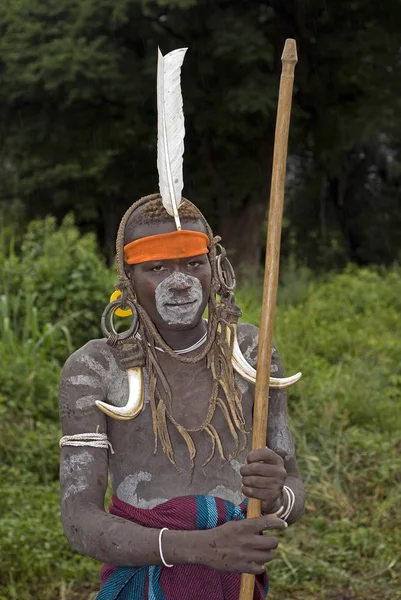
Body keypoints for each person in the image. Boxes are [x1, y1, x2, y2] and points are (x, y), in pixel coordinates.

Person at [58, 49, 305, 600]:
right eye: (156, 268)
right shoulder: (94, 369)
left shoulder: (251, 351)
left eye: (192, 264)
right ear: (128, 279)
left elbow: (292, 486)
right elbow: (77, 519)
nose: (177, 281)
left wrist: (279, 497)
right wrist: (193, 548)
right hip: (150, 579)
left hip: (233, 581)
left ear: (216, 270)